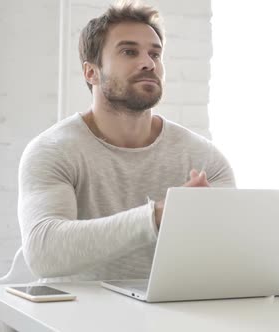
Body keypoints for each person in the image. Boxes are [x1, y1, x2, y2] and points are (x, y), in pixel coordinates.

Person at [18, 1, 235, 282]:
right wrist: (154, 217)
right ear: (91, 72)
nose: (148, 63)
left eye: (155, 54)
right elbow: (43, 253)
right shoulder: (53, 150)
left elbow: (229, 255)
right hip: (75, 318)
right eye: (129, 52)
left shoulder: (205, 160)